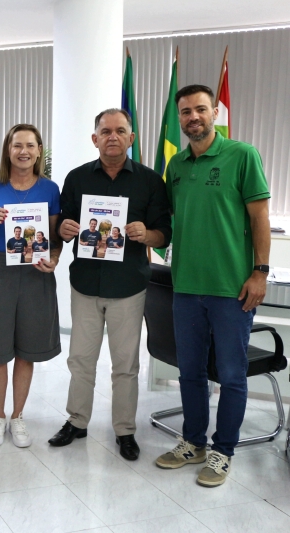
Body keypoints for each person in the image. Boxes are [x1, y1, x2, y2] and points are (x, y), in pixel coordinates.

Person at [155, 85, 270, 487]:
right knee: (190, 371)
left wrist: (260, 272)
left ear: (214, 113)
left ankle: (223, 451)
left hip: (231, 288)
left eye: (200, 109)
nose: (193, 117)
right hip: (185, 286)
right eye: (185, 112)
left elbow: (259, 218)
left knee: (232, 375)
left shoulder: (242, 155)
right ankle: (193, 442)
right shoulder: (178, 166)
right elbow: (172, 222)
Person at [50, 109, 171, 461]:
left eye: (120, 131)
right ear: (95, 139)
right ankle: (77, 421)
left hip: (128, 286)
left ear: (131, 138)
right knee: (81, 359)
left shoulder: (150, 182)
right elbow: (62, 224)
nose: (113, 137)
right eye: (105, 131)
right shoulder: (76, 178)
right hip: (86, 284)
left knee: (125, 365)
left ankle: (124, 430)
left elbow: (165, 231)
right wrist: (65, 230)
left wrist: (146, 234)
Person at [0, 124, 62, 447]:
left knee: (27, 350)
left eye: (30, 145)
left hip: (35, 273)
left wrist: (54, 259)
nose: (23, 151)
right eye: (17, 145)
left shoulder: (50, 189)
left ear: (39, 151)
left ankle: (18, 417)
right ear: (7, 149)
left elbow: (53, 240)